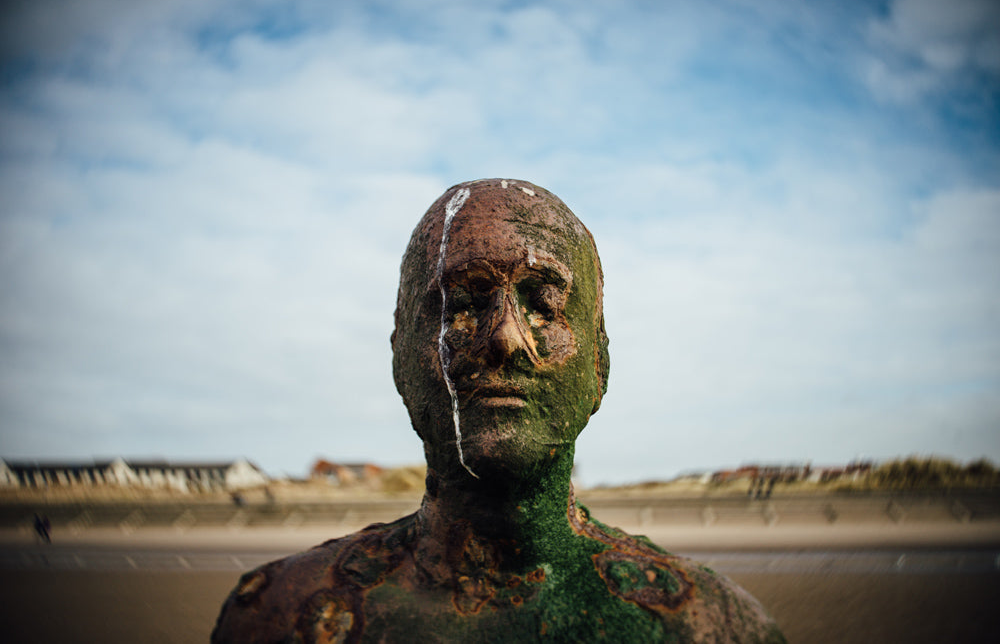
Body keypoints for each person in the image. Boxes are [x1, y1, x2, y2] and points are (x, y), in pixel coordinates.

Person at [212, 179, 785, 643]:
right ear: (400, 356)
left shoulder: (711, 628)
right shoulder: (274, 618)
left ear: (599, 364)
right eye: (462, 302)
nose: (506, 336)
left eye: (546, 304)